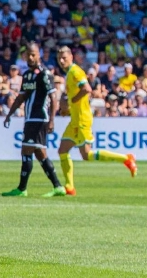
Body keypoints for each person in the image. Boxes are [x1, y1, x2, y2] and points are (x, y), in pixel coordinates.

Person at [55, 46, 137, 195]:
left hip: (82, 119)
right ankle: (69, 187)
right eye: (59, 58)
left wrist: (72, 101)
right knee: (62, 150)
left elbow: (87, 89)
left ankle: (126, 158)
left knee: (87, 155)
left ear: (71, 57)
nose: (61, 61)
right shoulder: (69, 73)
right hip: (75, 119)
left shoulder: (75, 71)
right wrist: (68, 108)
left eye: (64, 58)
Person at [1, 42, 66, 197]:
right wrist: (9, 114)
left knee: (26, 150)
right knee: (40, 154)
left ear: (39, 55)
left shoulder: (45, 74)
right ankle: (58, 186)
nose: (30, 57)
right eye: (28, 55)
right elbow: (21, 97)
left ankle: (22, 189)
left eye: (33, 54)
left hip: (39, 118)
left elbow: (53, 97)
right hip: (30, 118)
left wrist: (52, 120)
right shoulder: (27, 75)